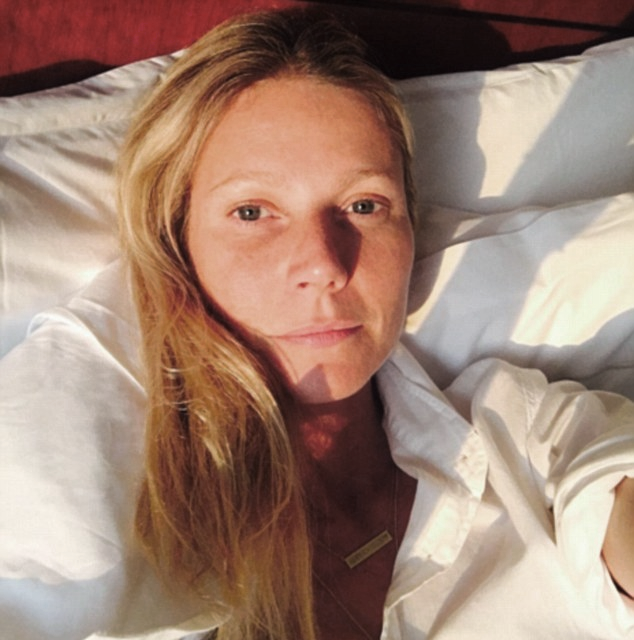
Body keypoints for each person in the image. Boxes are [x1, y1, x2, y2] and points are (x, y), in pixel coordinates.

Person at [2, 7, 634, 640]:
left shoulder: (520, 431)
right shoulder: (111, 520)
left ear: (410, 228)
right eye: (253, 212)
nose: (325, 266)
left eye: (364, 204)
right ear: (177, 242)